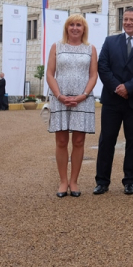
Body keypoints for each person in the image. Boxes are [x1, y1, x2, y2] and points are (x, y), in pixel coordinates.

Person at [94, 7, 133, 196]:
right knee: (106, 141)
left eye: (132, 20)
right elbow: (103, 67)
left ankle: (130, 181)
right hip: (112, 100)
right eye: (125, 19)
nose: (128, 22)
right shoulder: (110, 41)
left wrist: (128, 87)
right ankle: (102, 181)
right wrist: (117, 87)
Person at [46, 15, 98, 198]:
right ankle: (62, 181)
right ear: (66, 28)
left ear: (84, 29)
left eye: (79, 25)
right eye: (71, 25)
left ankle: (74, 181)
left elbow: (93, 75)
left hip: (82, 99)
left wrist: (83, 95)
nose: (75, 28)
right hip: (60, 98)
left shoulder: (90, 49)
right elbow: (50, 74)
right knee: (61, 141)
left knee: (78, 141)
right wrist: (59, 95)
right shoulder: (56, 47)